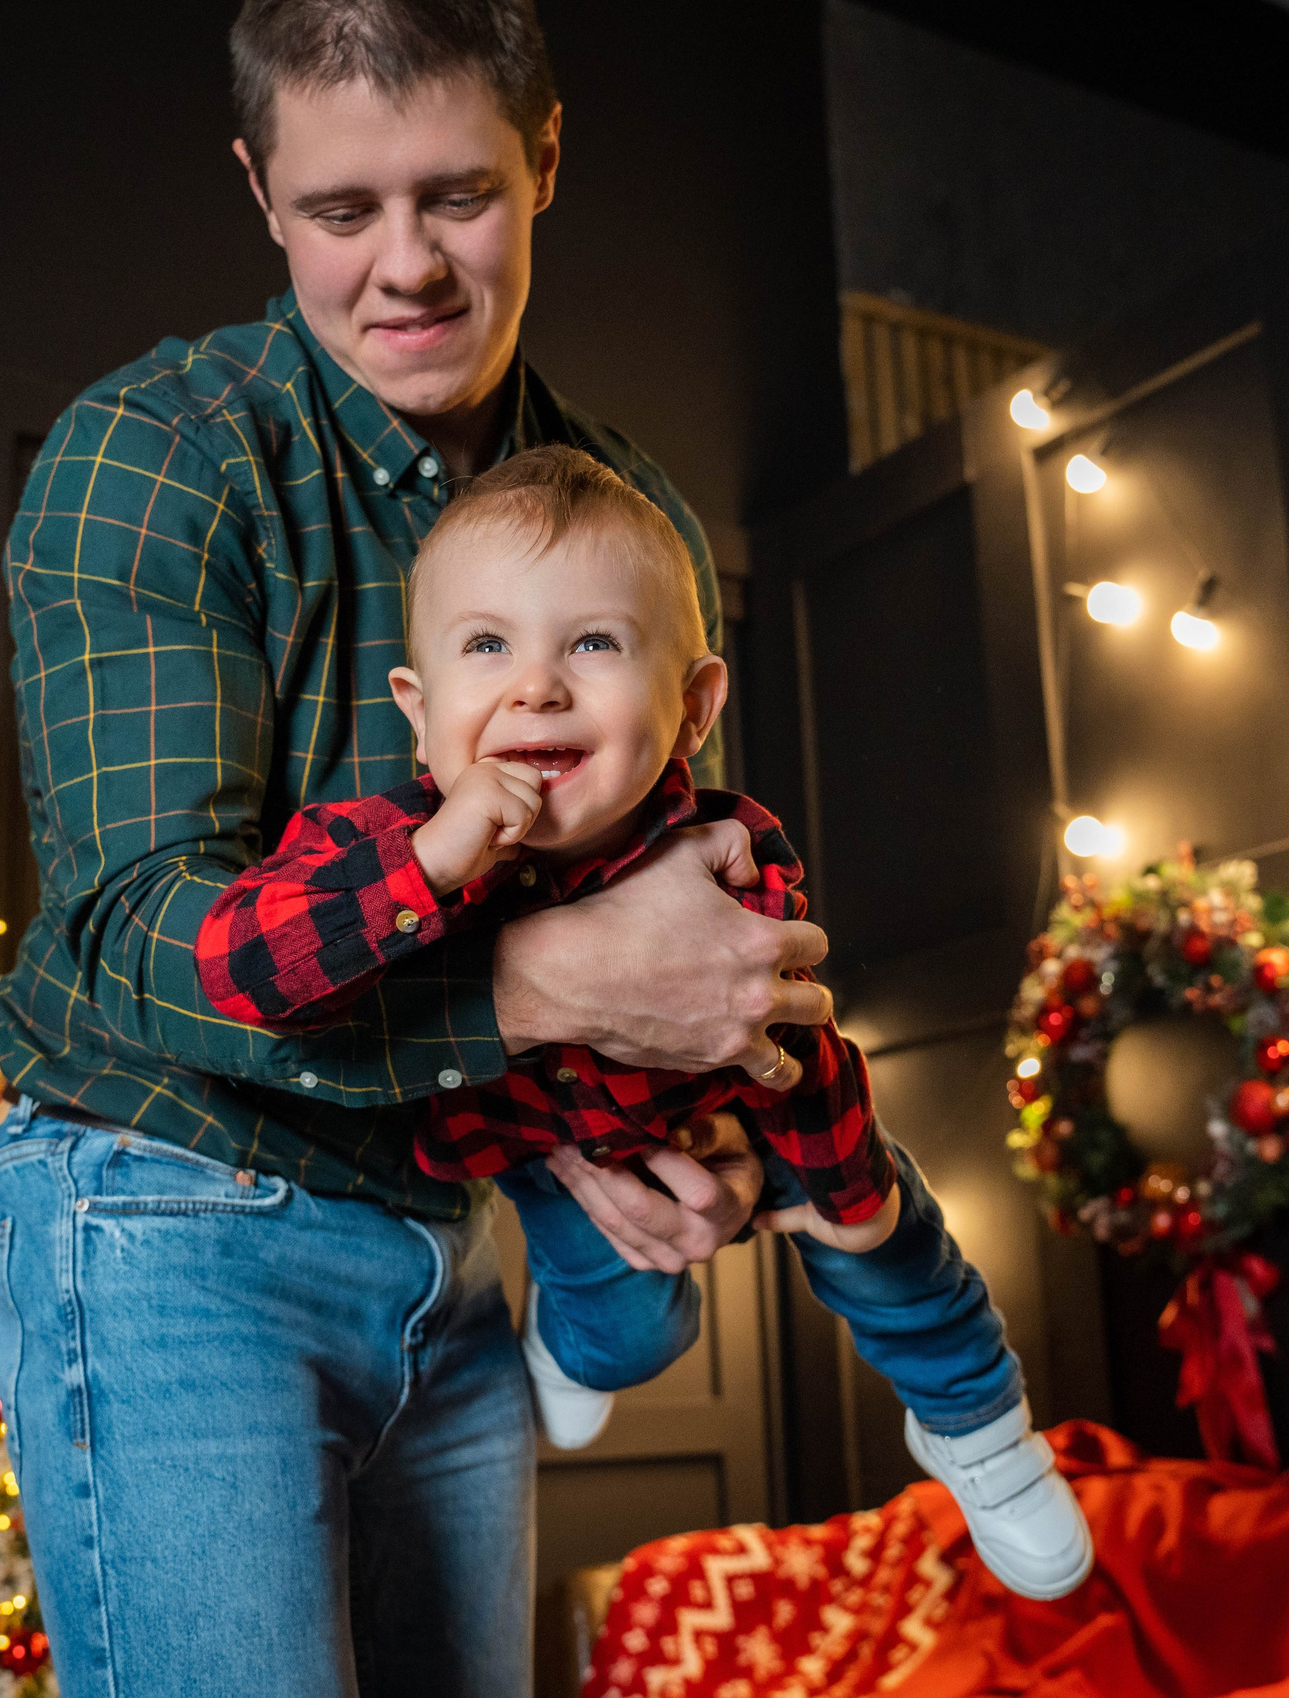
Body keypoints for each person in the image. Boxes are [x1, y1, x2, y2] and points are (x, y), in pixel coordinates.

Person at [0, 3, 830, 1693]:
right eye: (343, 211)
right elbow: (140, 939)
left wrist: (718, 1132)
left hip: (456, 1249)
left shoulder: (632, 517)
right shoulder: (155, 459)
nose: (410, 267)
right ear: (260, 187)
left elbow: (657, 901)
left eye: (461, 196)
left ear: (550, 157)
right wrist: (550, 990)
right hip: (169, 1216)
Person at [196, 445, 1098, 1602]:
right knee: (631, 1335)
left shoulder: (720, 852)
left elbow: (796, 1047)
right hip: (544, 1156)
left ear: (691, 705)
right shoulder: (375, 844)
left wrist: (846, 1194)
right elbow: (240, 972)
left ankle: (977, 1427)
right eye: (486, 646)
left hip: (749, 1121)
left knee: (895, 1256)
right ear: (419, 715)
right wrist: (425, 867)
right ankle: (580, 1342)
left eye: (593, 644)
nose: (535, 687)